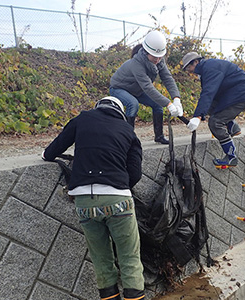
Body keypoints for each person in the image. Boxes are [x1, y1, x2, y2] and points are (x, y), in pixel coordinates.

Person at [42, 96, 145, 300]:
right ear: (120, 112)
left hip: (84, 201)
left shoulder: (82, 119)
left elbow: (52, 151)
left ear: (98, 106)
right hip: (118, 200)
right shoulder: (128, 131)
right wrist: (119, 186)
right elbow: (135, 173)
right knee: (129, 257)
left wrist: (47, 154)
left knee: (101, 260)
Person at [182, 52, 245, 167]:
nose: (189, 71)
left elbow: (208, 93)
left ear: (196, 62)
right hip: (235, 93)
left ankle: (231, 157)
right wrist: (200, 113)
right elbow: (210, 97)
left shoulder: (210, 69)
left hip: (241, 95)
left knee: (215, 122)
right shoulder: (208, 67)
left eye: (189, 67)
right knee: (211, 108)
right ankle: (233, 128)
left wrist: (197, 116)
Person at [110, 30, 183, 144]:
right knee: (132, 104)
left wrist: (176, 98)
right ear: (146, 52)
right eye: (155, 57)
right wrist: (168, 104)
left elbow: (167, 78)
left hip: (137, 90)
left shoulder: (159, 61)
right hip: (119, 88)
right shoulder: (136, 63)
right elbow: (148, 87)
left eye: (160, 57)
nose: (157, 60)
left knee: (158, 105)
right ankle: (128, 139)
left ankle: (159, 137)